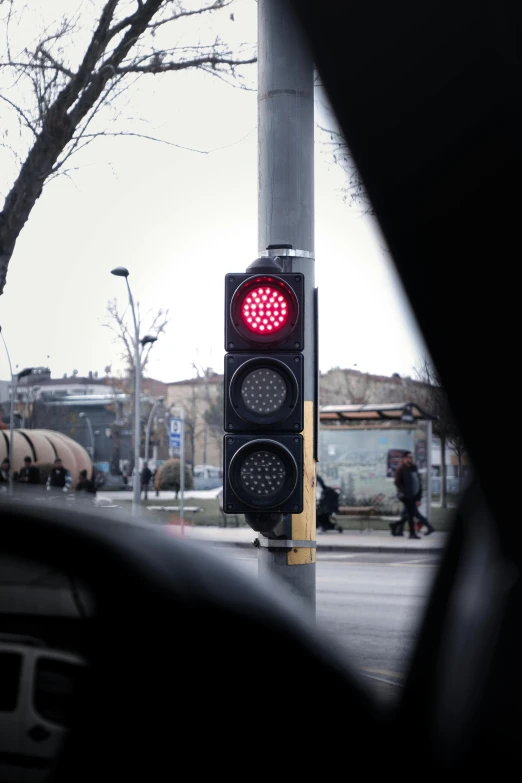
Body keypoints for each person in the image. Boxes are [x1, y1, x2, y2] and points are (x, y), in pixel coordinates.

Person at [392, 451, 434, 539]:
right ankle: (412, 533)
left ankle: (396, 526)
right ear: (404, 459)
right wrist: (405, 491)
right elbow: (397, 482)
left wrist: (418, 497)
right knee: (412, 514)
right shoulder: (401, 469)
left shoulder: (414, 468)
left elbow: (418, 483)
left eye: (411, 457)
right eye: (408, 457)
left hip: (413, 496)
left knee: (410, 513)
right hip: (406, 496)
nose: (410, 459)